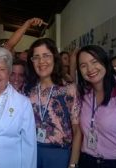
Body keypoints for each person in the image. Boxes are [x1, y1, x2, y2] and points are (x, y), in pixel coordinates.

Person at [26, 38, 82, 168]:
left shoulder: (68, 89)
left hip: (59, 154)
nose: (41, 62)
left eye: (46, 56)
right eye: (36, 57)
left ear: (55, 58)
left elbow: (77, 130)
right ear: (32, 62)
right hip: (31, 152)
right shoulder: (28, 90)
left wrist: (73, 165)